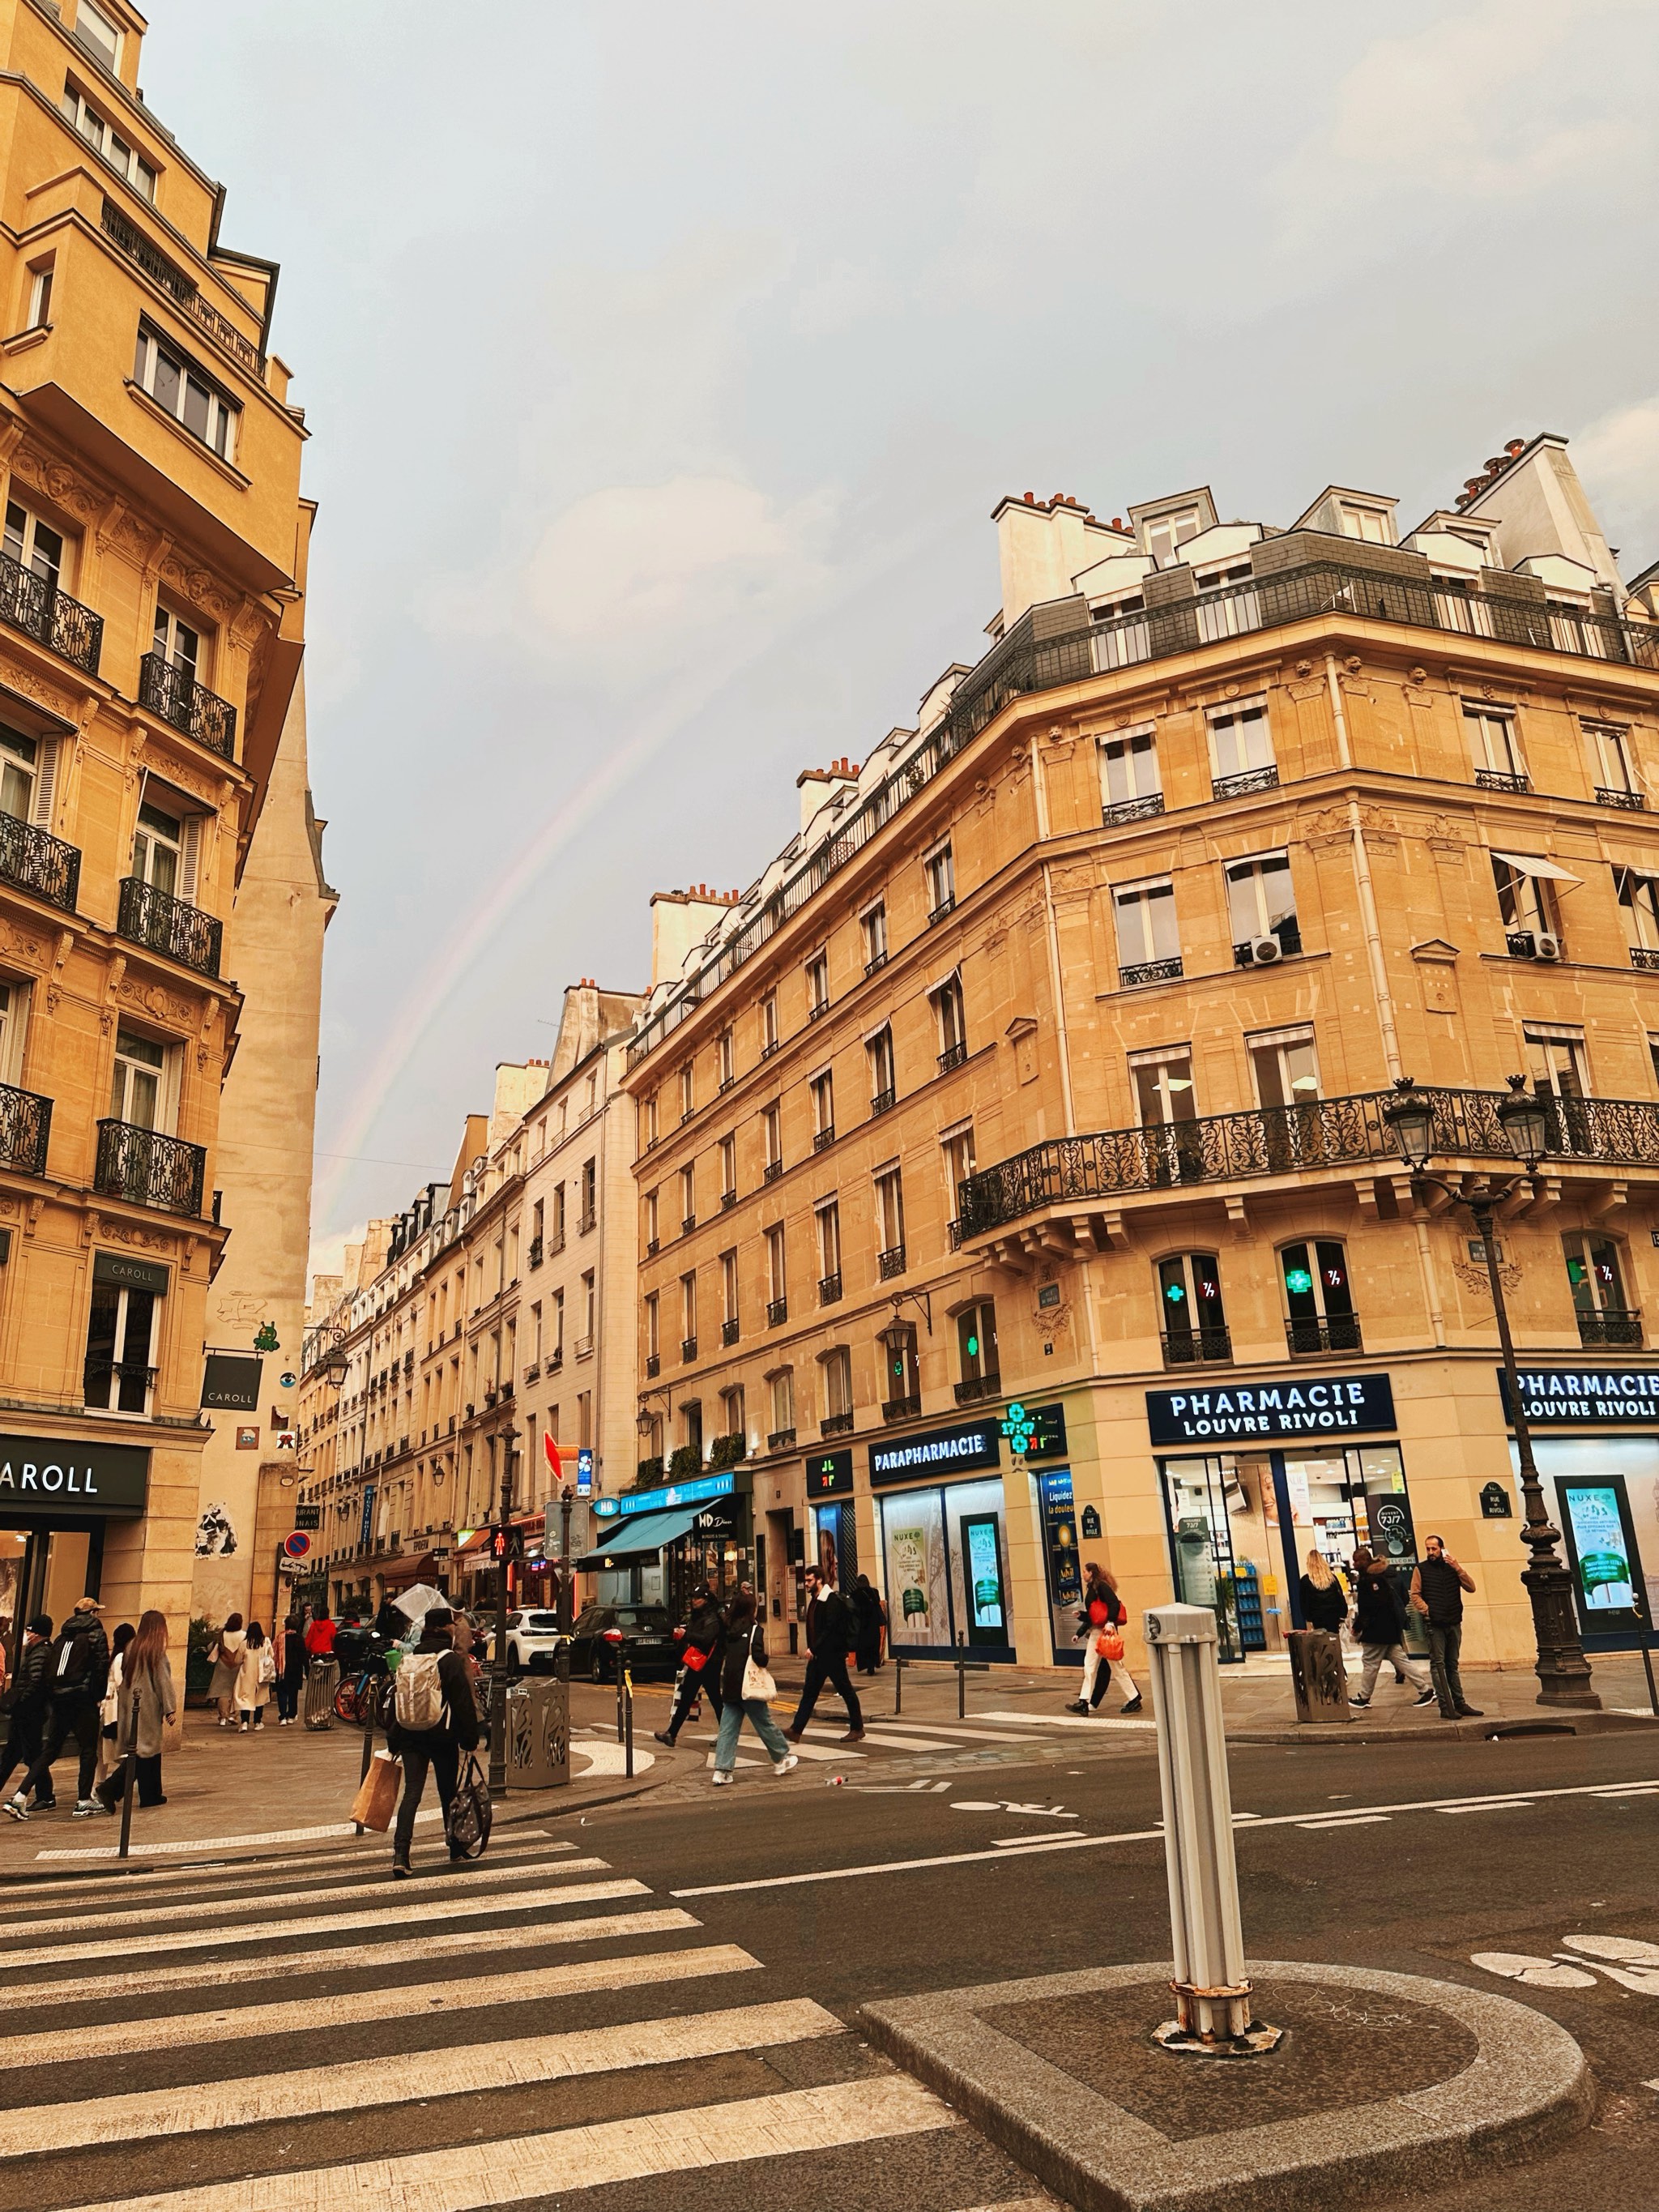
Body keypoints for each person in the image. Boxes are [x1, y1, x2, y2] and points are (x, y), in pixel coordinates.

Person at [385, 1605, 479, 1877]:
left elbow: (400, 1698)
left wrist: (394, 1736)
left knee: (411, 1794)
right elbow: (462, 1703)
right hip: (442, 1736)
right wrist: (469, 1739)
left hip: (411, 1735)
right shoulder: (448, 1660)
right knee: (447, 1793)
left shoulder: (411, 1658)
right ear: (446, 1629)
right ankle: (454, 1845)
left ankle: (401, 1853)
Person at [5, 1596, 111, 1819]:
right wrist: (98, 1697)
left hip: (60, 1699)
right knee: (88, 1750)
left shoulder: (64, 1636)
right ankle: (83, 1800)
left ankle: (20, 1797)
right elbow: (101, 1666)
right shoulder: (96, 1633)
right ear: (92, 1613)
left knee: (50, 1750)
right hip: (82, 1698)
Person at [711, 1590, 798, 1785]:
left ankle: (722, 1771)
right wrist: (765, 1660)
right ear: (751, 1610)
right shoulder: (755, 1630)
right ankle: (781, 1758)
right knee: (764, 1724)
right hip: (749, 1685)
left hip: (731, 1683)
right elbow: (758, 1656)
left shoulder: (728, 1629)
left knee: (727, 1729)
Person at [93, 1608, 175, 1810]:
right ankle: (111, 1788)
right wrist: (169, 1708)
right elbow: (163, 1681)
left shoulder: (132, 1647)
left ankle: (152, 1794)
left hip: (130, 1704)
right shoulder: (155, 1652)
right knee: (143, 1751)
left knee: (148, 1750)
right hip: (146, 1706)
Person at [1348, 1546, 1435, 1708]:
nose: (1353, 1564)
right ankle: (1425, 1689)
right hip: (1390, 1628)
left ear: (1365, 1560)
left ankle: (1364, 1697)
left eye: (1356, 1560)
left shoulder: (1370, 1580)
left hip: (1377, 1630)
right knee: (1401, 1660)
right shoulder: (1382, 1576)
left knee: (1370, 1662)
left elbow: (1370, 1607)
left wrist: (1358, 1626)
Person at [784, 1568, 864, 1744]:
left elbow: (830, 1629)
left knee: (846, 1691)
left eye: (809, 1580)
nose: (806, 1584)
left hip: (832, 1656)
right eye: (805, 1580)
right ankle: (796, 1730)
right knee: (809, 1693)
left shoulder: (831, 1600)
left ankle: (857, 1728)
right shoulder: (815, 1600)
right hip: (819, 1657)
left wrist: (813, 1648)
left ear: (819, 1580)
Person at [1411, 1535, 1482, 1720]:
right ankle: (1446, 1706)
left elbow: (1471, 1587)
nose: (1430, 1553)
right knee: (1438, 1665)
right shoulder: (1421, 1569)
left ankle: (1460, 1702)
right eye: (1428, 1549)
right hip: (1435, 1624)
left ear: (1442, 1549)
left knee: (1452, 1664)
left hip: (1453, 1622)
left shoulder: (1453, 1568)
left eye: (1434, 1549)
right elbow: (1415, 1595)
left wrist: (1458, 1568)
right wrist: (1428, 1611)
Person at [1066, 1564, 1144, 1716]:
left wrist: (1110, 1622)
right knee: (1089, 1665)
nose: (1082, 1574)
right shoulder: (1092, 1588)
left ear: (1091, 1572)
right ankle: (1084, 1701)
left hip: (1105, 1631)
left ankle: (1134, 1698)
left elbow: (1114, 1604)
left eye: (1084, 1571)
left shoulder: (1102, 1586)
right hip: (1097, 1631)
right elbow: (1094, 1614)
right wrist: (1081, 1615)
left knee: (1115, 1667)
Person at [655, 1582, 726, 1748]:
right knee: (689, 1697)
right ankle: (671, 1734)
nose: (694, 1601)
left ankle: (672, 1734)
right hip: (700, 1663)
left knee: (712, 1699)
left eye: (698, 1598)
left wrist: (686, 1635)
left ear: (706, 1600)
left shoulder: (712, 1618)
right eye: (693, 1598)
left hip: (708, 1664)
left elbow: (706, 1640)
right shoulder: (700, 1616)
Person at [0, 1616, 53, 1810]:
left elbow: (36, 1681)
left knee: (32, 1755)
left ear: (36, 1633)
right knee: (13, 1754)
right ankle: (46, 1795)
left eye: (29, 1631)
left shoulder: (41, 1652)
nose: (26, 1635)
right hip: (27, 1711)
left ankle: (46, 1796)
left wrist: (21, 1700)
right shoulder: (36, 1651)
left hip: (29, 1711)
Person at [98, 1621, 136, 1786]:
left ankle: (98, 1784)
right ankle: (109, 1786)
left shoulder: (115, 1656)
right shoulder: (122, 1657)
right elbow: (122, 1685)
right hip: (115, 1711)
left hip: (108, 1710)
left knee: (103, 1752)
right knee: (120, 1752)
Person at [208, 1613, 246, 1728]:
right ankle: (233, 1715)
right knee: (236, 1691)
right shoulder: (244, 1635)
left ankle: (223, 1717)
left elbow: (214, 1646)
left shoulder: (222, 1634)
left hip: (223, 1664)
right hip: (238, 1665)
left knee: (222, 1692)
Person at [1299, 1551, 1349, 1634]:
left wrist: (1308, 1617)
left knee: (1320, 1639)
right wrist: (1343, 1613)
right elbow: (1340, 1595)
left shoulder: (1305, 1580)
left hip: (1317, 1617)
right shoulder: (1332, 1578)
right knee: (1333, 1638)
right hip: (1334, 1615)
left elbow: (1304, 1601)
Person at [236, 1621, 272, 1732]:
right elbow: (271, 1655)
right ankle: (257, 1722)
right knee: (259, 1699)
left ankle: (245, 1722)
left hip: (247, 1674)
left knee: (245, 1698)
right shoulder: (266, 1642)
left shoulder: (244, 1644)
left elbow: (237, 1660)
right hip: (262, 1674)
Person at [851, 1574, 888, 1674]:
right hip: (873, 1624)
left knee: (863, 1646)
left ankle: (866, 1664)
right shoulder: (874, 1592)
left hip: (862, 1625)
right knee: (873, 1645)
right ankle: (872, 1665)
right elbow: (877, 1604)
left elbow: (853, 1609)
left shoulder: (855, 1594)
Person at [274, 1615, 307, 1725]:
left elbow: (273, 1653)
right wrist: (307, 1670)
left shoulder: (279, 1638)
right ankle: (292, 1715)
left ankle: (283, 1716)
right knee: (293, 1693)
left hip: (281, 1670)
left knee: (282, 1693)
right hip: (295, 1669)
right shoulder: (299, 1638)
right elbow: (303, 1656)